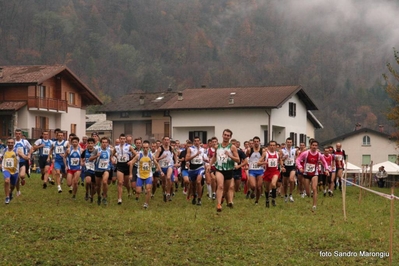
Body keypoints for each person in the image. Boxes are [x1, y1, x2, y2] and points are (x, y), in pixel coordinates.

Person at [210, 129, 240, 212]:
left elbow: (237, 160)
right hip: (219, 169)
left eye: (228, 135)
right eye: (225, 135)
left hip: (229, 170)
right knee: (220, 186)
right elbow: (214, 157)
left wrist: (230, 155)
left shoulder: (232, 147)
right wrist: (210, 165)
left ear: (230, 137)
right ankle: (218, 205)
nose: (226, 136)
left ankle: (223, 197)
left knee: (226, 190)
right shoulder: (217, 146)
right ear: (222, 135)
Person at [296, 140, 330, 212]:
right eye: (313, 145)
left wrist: (326, 169)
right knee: (308, 192)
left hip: (315, 173)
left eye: (316, 145)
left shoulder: (319, 154)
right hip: (306, 174)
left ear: (317, 146)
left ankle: (314, 205)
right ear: (310, 146)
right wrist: (300, 167)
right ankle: (309, 194)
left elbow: (324, 162)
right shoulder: (306, 153)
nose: (314, 147)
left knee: (314, 188)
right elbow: (298, 160)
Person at [128, 140, 160, 209]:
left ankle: (146, 203)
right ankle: (140, 190)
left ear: (149, 148)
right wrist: (130, 174)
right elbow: (131, 163)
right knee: (138, 191)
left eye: (147, 148)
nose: (145, 149)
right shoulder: (139, 155)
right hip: (140, 175)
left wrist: (159, 169)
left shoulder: (151, 155)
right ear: (142, 148)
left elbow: (156, 163)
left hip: (148, 175)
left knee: (148, 190)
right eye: (144, 147)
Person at [113, 134, 137, 204]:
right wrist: (115, 157)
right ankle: (119, 199)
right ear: (119, 139)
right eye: (121, 139)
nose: (122, 140)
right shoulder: (116, 147)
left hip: (127, 165)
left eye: (124, 139)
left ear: (125, 140)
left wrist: (131, 161)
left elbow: (136, 154)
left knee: (126, 183)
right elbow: (112, 154)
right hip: (120, 165)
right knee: (120, 182)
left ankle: (129, 190)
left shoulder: (129, 146)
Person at [90, 137, 115, 205]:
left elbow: (111, 157)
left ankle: (104, 197)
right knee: (98, 186)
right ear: (101, 143)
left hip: (106, 169)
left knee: (104, 182)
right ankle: (99, 196)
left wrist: (112, 160)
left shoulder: (110, 150)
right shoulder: (97, 150)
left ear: (108, 143)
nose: (104, 144)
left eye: (106, 142)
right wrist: (96, 156)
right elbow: (90, 159)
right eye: (103, 142)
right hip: (98, 169)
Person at [186, 136, 208, 206]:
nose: (196, 142)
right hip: (192, 168)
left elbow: (203, 157)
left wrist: (205, 160)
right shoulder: (190, 149)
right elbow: (187, 158)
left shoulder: (203, 149)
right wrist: (195, 155)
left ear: (200, 141)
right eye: (195, 141)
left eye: (197, 141)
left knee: (198, 182)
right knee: (193, 184)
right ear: (193, 142)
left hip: (200, 167)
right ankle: (194, 196)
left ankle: (199, 199)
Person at [155, 136, 179, 202]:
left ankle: (168, 193)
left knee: (168, 178)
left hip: (169, 166)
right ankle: (164, 193)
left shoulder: (172, 148)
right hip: (162, 167)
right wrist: (161, 158)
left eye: (167, 140)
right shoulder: (160, 149)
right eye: (165, 140)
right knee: (163, 183)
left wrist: (176, 162)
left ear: (169, 141)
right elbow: (155, 159)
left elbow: (175, 155)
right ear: (163, 141)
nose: (166, 141)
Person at [258, 141, 280, 207]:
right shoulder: (265, 154)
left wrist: (282, 166)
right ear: (268, 146)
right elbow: (258, 163)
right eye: (271, 145)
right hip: (267, 172)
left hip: (275, 171)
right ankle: (267, 199)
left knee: (273, 184)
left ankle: (273, 199)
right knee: (267, 189)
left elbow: (280, 161)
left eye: (273, 145)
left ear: (276, 146)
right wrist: (264, 163)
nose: (272, 147)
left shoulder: (278, 153)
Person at [14, 129, 32, 196]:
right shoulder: (12, 142)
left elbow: (31, 148)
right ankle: (18, 191)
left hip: (23, 161)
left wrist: (29, 155)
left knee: (22, 175)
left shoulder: (25, 142)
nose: (18, 135)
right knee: (16, 178)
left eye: (19, 134)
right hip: (15, 163)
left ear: (21, 134)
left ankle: (23, 179)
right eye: (16, 134)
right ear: (15, 134)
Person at [246, 136, 264, 204]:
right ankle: (252, 191)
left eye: (257, 141)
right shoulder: (249, 150)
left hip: (260, 170)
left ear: (259, 142)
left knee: (259, 187)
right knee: (253, 186)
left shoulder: (262, 150)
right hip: (252, 170)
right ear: (253, 142)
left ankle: (257, 201)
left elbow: (265, 158)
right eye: (255, 142)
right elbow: (246, 157)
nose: (256, 143)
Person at [2, 138, 19, 204]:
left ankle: (10, 193)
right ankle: (7, 197)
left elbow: (23, 155)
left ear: (14, 143)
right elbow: (1, 157)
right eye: (9, 142)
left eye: (11, 143)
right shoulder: (4, 150)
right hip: (6, 169)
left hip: (15, 170)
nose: (10, 144)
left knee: (13, 186)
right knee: (7, 180)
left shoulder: (17, 150)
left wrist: (27, 157)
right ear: (7, 143)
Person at [280, 138, 296, 203]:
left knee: (291, 180)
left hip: (292, 166)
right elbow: (280, 159)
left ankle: (291, 194)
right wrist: (282, 164)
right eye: (288, 142)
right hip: (285, 167)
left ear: (292, 143)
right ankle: (286, 195)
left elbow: (298, 157)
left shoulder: (295, 150)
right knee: (285, 183)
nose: (289, 143)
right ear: (286, 143)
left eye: (290, 142)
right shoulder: (282, 150)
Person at [81, 137, 96, 202]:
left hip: (95, 169)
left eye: (91, 143)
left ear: (94, 144)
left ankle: (91, 196)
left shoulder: (97, 151)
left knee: (94, 185)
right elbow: (81, 157)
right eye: (89, 143)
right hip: (87, 169)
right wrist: (82, 162)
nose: (90, 144)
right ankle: (87, 192)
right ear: (87, 144)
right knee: (87, 181)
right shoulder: (85, 151)